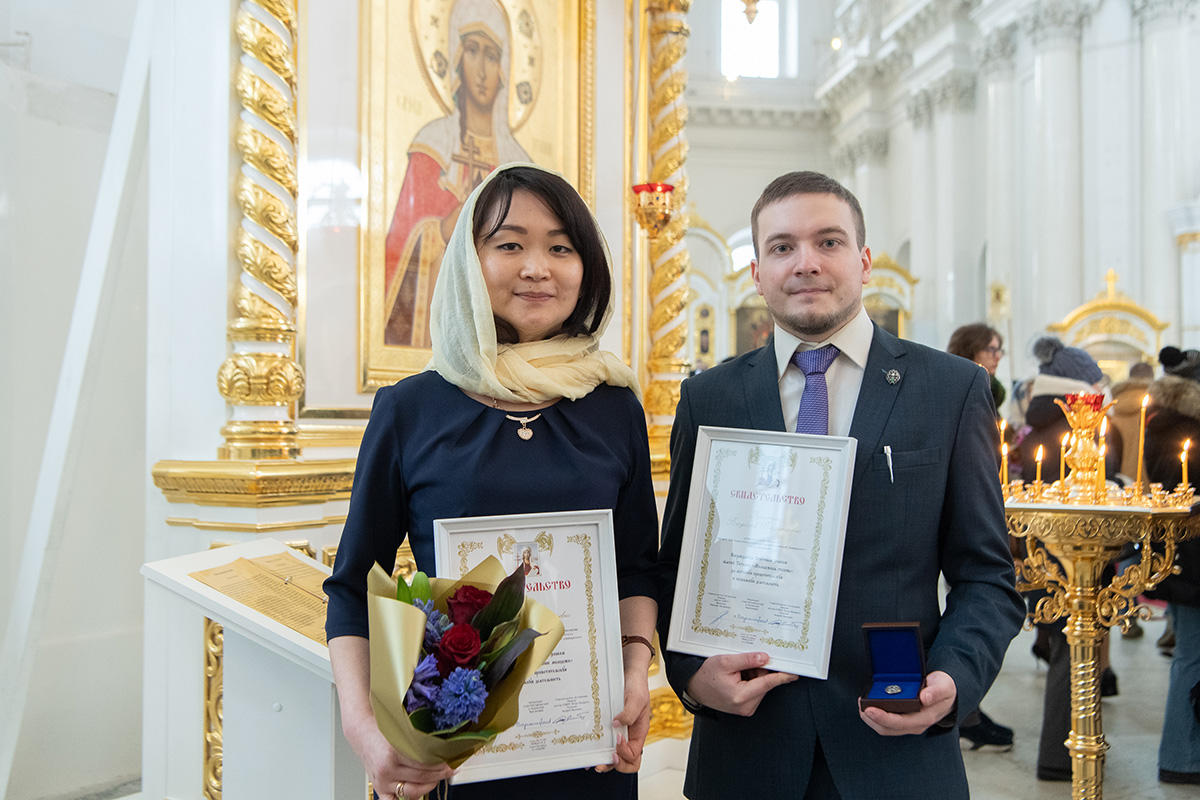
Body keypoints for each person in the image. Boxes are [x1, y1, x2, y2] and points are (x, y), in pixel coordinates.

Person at [656, 171, 1024, 799]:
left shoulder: (950, 391)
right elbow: (676, 571)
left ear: (864, 259)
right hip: (747, 749)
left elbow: (987, 575)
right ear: (756, 272)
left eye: (828, 242)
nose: (806, 263)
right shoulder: (708, 398)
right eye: (781, 247)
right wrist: (691, 675)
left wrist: (954, 679)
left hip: (895, 748)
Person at [327, 163, 658, 800]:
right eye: (510, 244)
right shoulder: (411, 409)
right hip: (453, 757)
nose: (538, 267)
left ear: (585, 266)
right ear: (467, 262)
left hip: (590, 747)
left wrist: (634, 670)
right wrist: (366, 731)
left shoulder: (613, 406)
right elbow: (351, 586)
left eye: (561, 247)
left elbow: (638, 566)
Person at [384, 0, 532, 347]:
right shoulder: (432, 147)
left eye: (492, 56)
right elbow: (397, 251)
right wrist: (440, 231)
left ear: (504, 67)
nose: (481, 70)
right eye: (472, 50)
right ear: (455, 57)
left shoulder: (520, 165)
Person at [1018, 336, 1122, 781]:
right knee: (1074, 652)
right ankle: (1063, 756)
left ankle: (1069, 749)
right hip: (1076, 557)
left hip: (1037, 556)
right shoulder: (1082, 431)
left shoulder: (1035, 429)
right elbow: (1094, 499)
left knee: (1066, 647)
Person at [943, 323, 1016, 751]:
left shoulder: (989, 390)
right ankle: (967, 710)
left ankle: (966, 701)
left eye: (1000, 349)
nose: (997, 356)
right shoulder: (958, 384)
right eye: (992, 348)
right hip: (964, 503)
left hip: (984, 501)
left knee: (976, 599)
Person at [1144, 346, 1200, 785]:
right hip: (1194, 560)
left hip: (1181, 558)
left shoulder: (1163, 426)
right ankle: (1181, 758)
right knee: (1192, 659)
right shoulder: (1189, 433)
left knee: (1189, 656)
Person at [947, 323, 1007, 414]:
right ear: (969, 351)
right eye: (991, 350)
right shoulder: (959, 394)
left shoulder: (993, 391)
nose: (997, 357)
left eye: (998, 350)